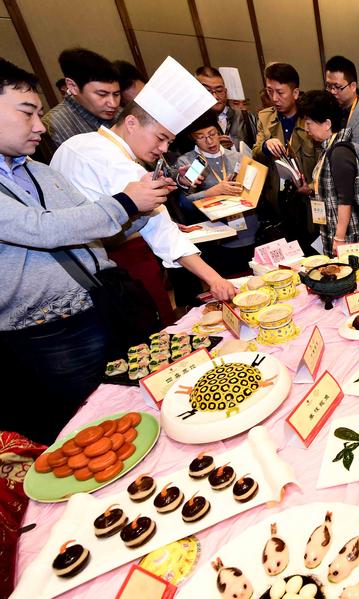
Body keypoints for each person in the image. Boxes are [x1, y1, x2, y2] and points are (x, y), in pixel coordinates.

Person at [0, 58, 172, 443]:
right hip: (52, 332)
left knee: (145, 407)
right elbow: (41, 229)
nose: (40, 126)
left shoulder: (40, 171)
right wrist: (127, 203)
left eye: (40, 114)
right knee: (95, 433)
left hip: (105, 303)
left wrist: (143, 210)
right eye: (27, 113)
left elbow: (91, 232)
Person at [51, 57, 236, 320]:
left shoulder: (77, 143)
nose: (163, 149)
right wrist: (215, 279)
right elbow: (162, 232)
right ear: (131, 123)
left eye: (169, 142)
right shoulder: (124, 166)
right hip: (118, 268)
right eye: (161, 138)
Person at [175, 110, 257, 276]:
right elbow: (184, 203)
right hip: (217, 238)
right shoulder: (189, 163)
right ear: (192, 138)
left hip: (248, 229)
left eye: (212, 134)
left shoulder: (238, 157)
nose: (209, 141)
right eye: (201, 137)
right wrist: (211, 192)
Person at [252, 62, 318, 254]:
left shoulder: (310, 118)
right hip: (277, 201)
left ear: (295, 93)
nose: (274, 98)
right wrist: (266, 146)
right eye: (270, 91)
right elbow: (255, 152)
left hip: (307, 201)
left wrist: (312, 187)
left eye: (280, 93)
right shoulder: (265, 118)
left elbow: (323, 160)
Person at [301, 90, 359, 256]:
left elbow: (345, 199)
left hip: (347, 235)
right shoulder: (329, 148)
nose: (306, 129)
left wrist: (339, 238)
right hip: (334, 229)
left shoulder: (340, 153)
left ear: (327, 124)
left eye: (309, 123)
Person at [41, 48, 121, 156]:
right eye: (102, 94)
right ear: (73, 86)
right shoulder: (54, 126)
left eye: (116, 94)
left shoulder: (121, 113)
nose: (113, 104)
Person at [196, 66, 253, 150]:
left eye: (219, 91)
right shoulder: (191, 124)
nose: (215, 96)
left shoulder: (244, 117)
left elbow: (257, 152)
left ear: (226, 92)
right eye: (208, 91)